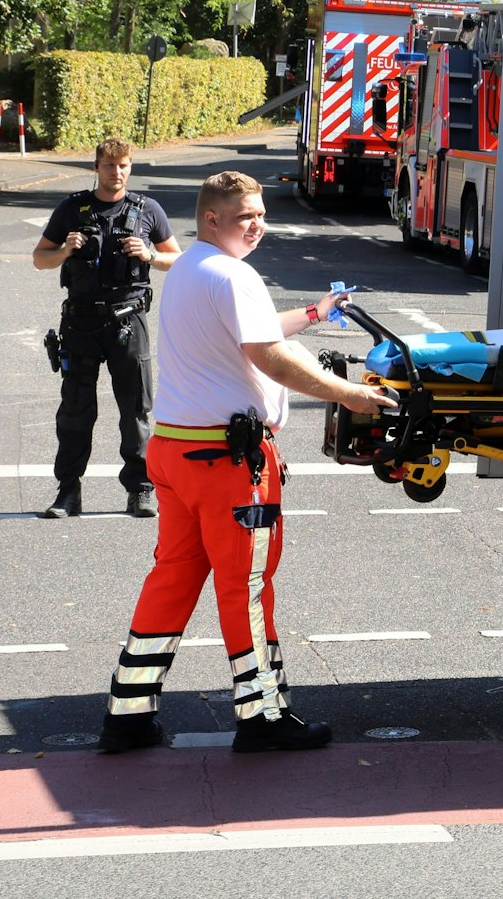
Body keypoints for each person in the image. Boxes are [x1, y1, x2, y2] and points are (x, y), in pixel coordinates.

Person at [96, 171, 396, 755]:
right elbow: (269, 357)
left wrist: (313, 311)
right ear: (212, 218)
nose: (257, 225)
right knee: (247, 587)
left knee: (174, 576)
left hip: (175, 451)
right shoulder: (235, 276)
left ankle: (127, 714)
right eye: (244, 217)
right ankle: (262, 716)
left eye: (260, 214)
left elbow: (250, 332)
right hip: (228, 463)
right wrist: (347, 392)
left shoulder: (186, 267)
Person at [31, 138, 182, 519]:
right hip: (80, 322)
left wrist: (149, 255)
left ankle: (140, 489)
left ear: (130, 168)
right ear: (96, 167)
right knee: (75, 410)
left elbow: (178, 260)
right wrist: (65, 251)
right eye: (110, 165)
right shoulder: (71, 209)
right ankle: (68, 491)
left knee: (135, 410)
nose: (117, 172)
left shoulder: (148, 210)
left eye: (124, 166)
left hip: (128, 320)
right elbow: (39, 259)